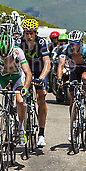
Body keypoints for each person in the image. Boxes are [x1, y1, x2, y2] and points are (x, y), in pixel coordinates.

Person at [0, 34, 32, 145]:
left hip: (17, 76)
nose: (4, 59)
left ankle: (21, 127)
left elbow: (28, 73)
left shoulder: (18, 52)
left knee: (20, 100)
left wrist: (25, 88)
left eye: (7, 56)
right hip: (3, 77)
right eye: (2, 56)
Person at [17, 18, 51, 147]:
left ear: (36, 33)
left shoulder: (41, 42)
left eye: (31, 33)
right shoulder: (19, 42)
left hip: (39, 71)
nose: (29, 36)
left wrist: (41, 78)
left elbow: (47, 64)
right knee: (20, 96)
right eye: (26, 33)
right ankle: (20, 126)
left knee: (40, 97)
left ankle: (41, 133)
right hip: (25, 71)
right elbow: (14, 63)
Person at [57, 30, 86, 119]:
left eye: (76, 43)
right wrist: (59, 79)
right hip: (74, 70)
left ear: (81, 43)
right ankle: (73, 121)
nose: (73, 46)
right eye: (71, 44)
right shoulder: (65, 49)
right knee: (72, 96)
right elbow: (61, 65)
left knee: (85, 78)